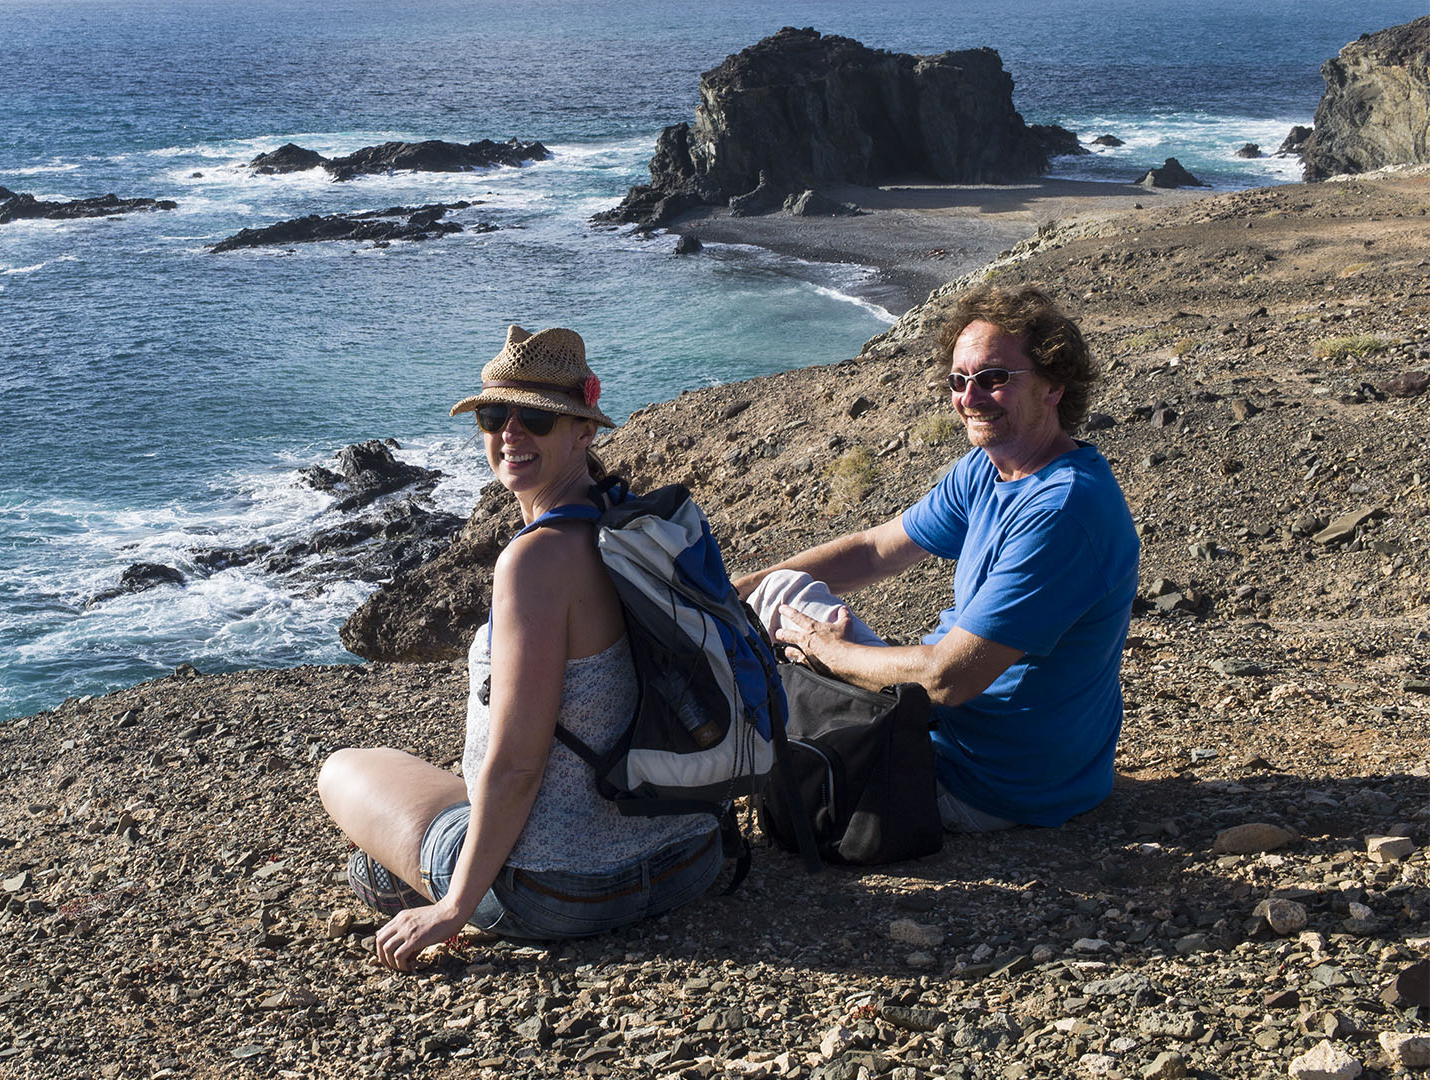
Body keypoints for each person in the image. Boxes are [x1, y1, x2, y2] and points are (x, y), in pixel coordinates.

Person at [318, 325, 721, 971]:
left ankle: (449, 889)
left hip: (568, 890)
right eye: (493, 414)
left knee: (343, 770)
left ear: (583, 432)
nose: (510, 432)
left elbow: (516, 766)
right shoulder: (646, 528)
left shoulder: (535, 562)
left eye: (535, 417)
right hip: (693, 857)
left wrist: (453, 909)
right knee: (396, 836)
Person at [733, 283, 1139, 833]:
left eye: (994, 379)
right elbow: (877, 550)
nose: (970, 398)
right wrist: (741, 586)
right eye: (959, 380)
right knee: (771, 595)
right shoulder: (992, 466)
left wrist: (831, 652)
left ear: (1053, 386)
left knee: (768, 651)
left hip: (987, 780)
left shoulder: (1063, 510)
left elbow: (949, 677)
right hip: (964, 732)